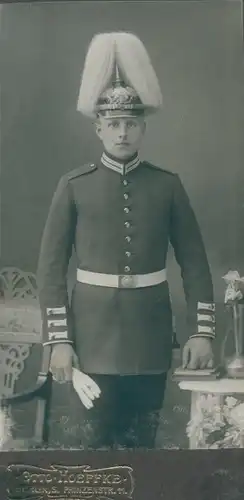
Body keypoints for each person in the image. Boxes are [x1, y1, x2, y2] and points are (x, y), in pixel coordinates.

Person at [37, 32, 215, 449]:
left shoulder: (167, 186)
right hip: (90, 339)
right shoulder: (74, 186)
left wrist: (201, 332)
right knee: (91, 449)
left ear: (143, 128)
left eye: (130, 124)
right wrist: (59, 340)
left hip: (150, 336)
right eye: (113, 124)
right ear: (98, 128)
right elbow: (49, 269)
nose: (122, 133)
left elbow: (195, 264)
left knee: (144, 448)